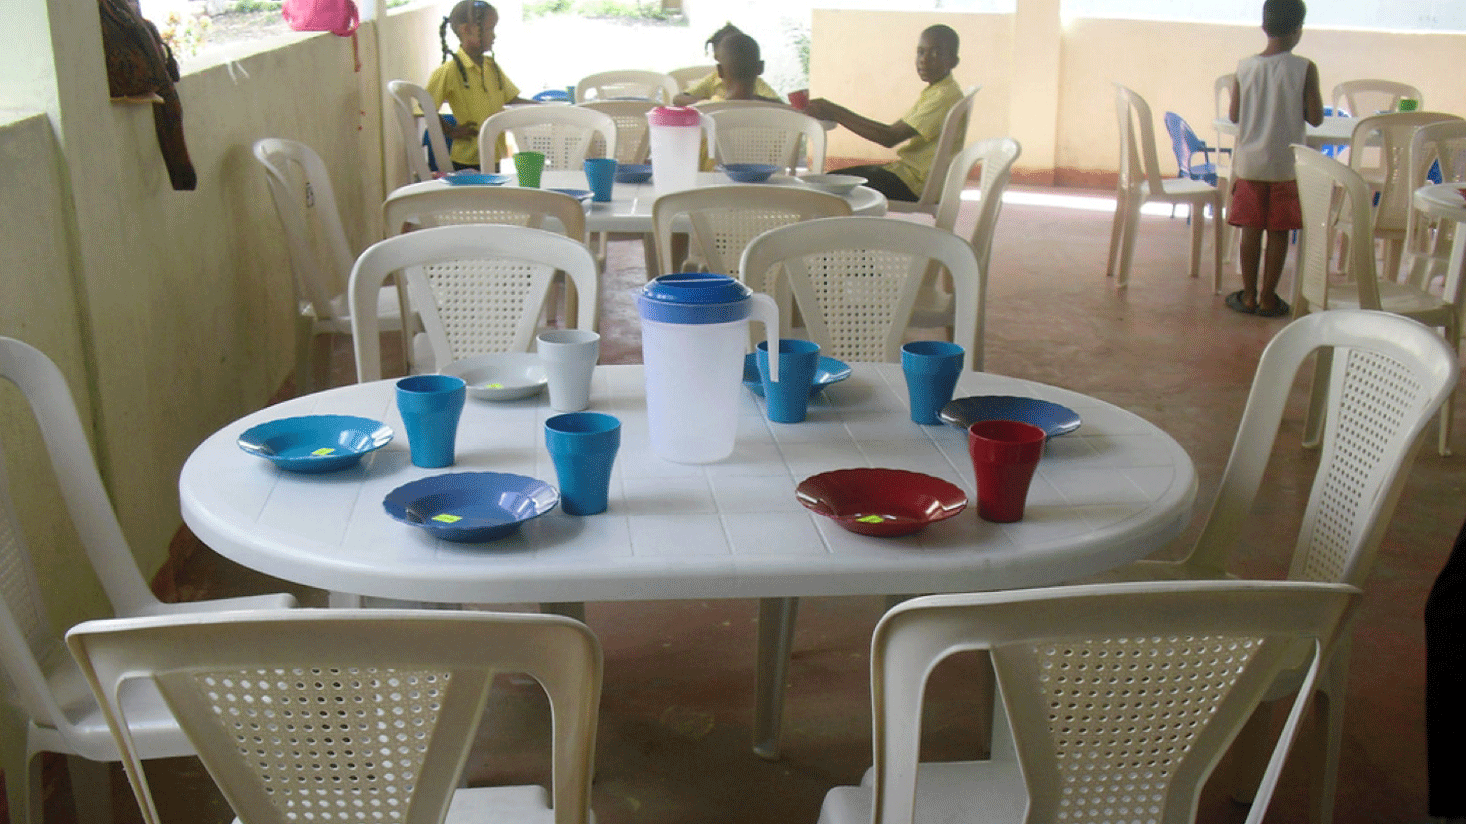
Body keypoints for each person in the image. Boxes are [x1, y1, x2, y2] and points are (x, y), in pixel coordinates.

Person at [1224, 0, 1323, 317]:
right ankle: (1269, 298)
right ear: (1298, 30)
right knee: (1278, 232)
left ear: (1264, 27)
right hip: (1285, 167)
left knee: (1250, 230)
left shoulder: (1244, 67)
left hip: (1250, 165)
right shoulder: (1304, 68)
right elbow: (1317, 117)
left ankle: (1249, 295)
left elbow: (1234, 114)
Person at [802, 25, 963, 203]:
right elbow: (892, 131)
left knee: (830, 185)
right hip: (908, 175)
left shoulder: (942, 97)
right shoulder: (942, 90)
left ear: (953, 61)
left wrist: (834, 111)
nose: (924, 60)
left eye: (936, 53)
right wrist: (833, 111)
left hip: (914, 184)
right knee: (833, 179)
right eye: (920, 52)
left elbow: (889, 137)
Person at [426, 0, 533, 171]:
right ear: (466, 30)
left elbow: (513, 99)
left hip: (494, 153)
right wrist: (451, 131)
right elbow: (425, 107)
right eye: (490, 29)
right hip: (467, 159)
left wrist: (549, 109)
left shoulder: (491, 67)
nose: (494, 35)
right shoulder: (450, 70)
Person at [674, 22, 783, 106]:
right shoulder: (772, 110)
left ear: (720, 71)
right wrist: (758, 100)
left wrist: (708, 102)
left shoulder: (706, 107)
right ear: (760, 68)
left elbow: (676, 100)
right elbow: (783, 106)